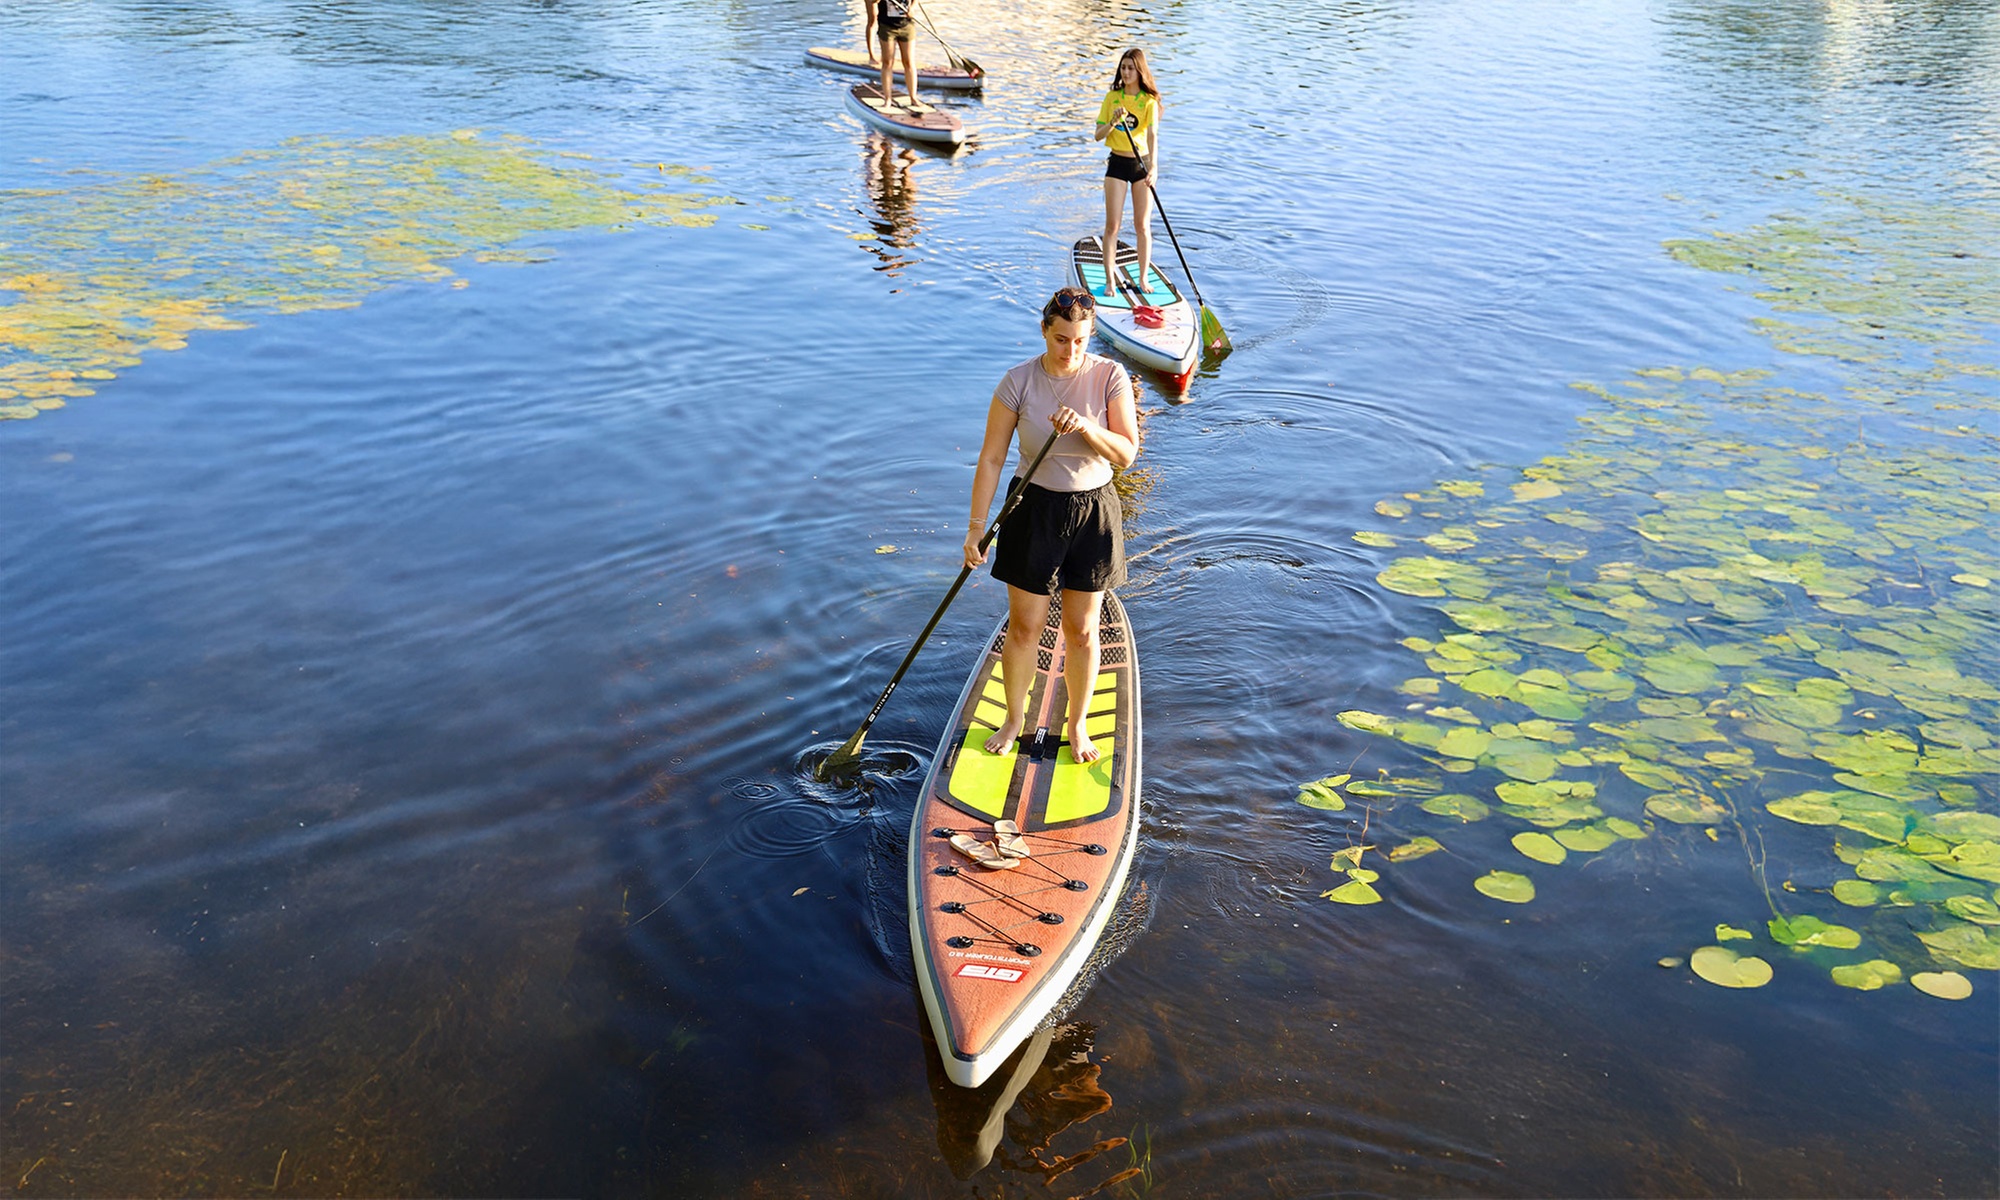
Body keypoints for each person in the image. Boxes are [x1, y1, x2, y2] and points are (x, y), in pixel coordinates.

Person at [964, 287, 1140, 765]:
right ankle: (1014, 719)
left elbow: (1126, 454)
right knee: (1025, 627)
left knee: (1081, 630)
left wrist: (1087, 426)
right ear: (1044, 331)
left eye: (1081, 340)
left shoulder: (1109, 376)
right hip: (1032, 508)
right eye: (1061, 339)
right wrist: (976, 528)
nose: (1071, 351)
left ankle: (1077, 726)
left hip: (1094, 511)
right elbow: (992, 457)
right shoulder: (1018, 381)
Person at [1094, 48, 1162, 300]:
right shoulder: (1112, 97)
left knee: (1142, 226)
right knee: (1113, 226)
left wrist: (1154, 168)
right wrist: (1112, 121)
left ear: (1140, 71)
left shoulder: (1149, 102)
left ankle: (1143, 277)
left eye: (1131, 68)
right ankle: (1110, 280)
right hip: (1117, 166)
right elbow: (1097, 135)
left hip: (1141, 166)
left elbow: (1153, 136)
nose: (1126, 72)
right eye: (1123, 67)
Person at [866, 0, 921, 107]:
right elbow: (873, 1)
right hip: (887, 27)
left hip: (906, 26)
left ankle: (913, 98)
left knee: (909, 62)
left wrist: (912, 8)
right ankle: (887, 99)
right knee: (887, 63)